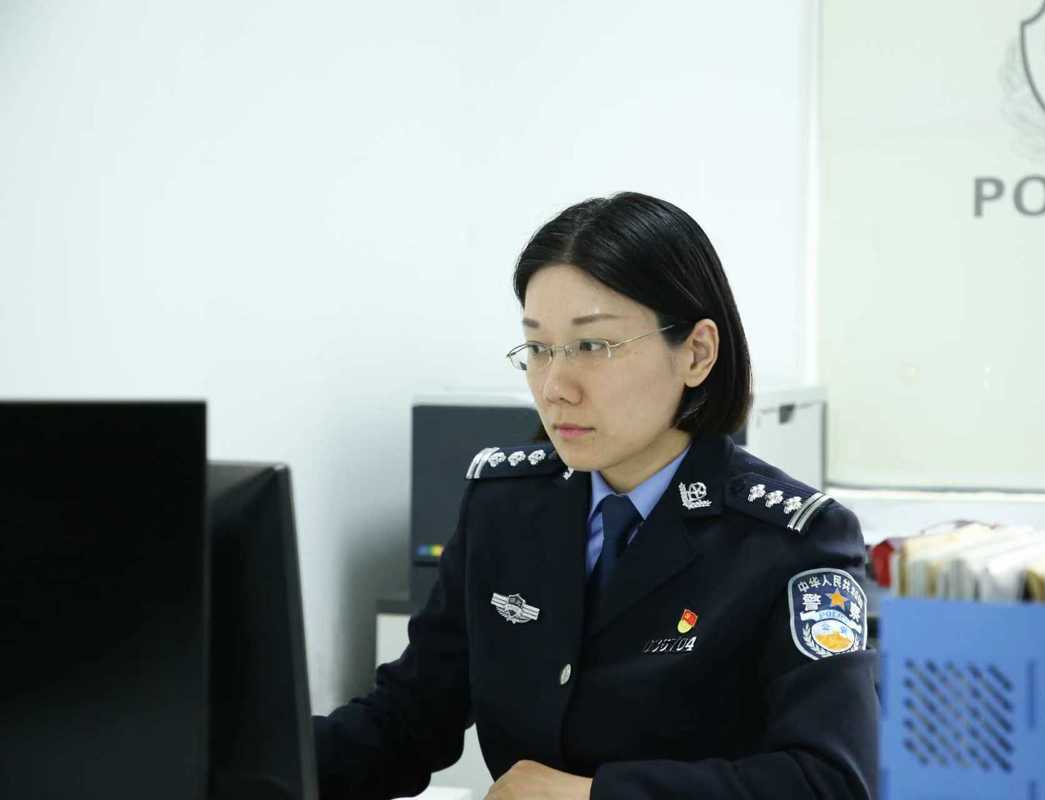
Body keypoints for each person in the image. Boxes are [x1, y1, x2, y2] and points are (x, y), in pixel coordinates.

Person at [314, 192, 879, 799]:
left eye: (592, 347)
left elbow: (831, 782)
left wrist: (592, 796)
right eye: (538, 349)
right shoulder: (504, 509)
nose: (555, 387)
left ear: (696, 353)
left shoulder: (789, 540)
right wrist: (258, 753)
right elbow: (407, 719)